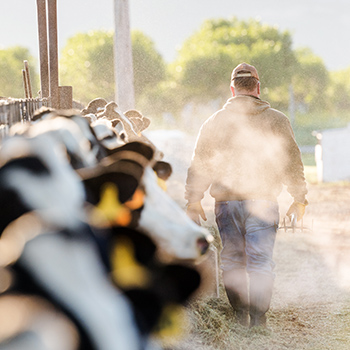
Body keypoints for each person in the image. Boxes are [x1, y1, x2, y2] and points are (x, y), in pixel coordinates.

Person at [184, 62, 308, 328]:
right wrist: (299, 198)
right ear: (257, 87)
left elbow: (200, 164)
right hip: (262, 202)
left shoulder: (214, 122)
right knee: (261, 261)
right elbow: (292, 163)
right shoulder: (277, 119)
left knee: (232, 260)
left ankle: (240, 317)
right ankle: (258, 321)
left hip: (226, 205)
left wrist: (193, 199)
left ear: (232, 89)